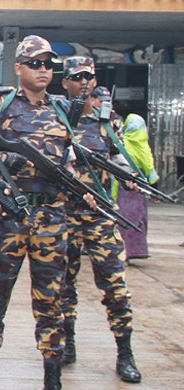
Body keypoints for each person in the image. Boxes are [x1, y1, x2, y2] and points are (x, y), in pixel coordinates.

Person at [0, 35, 90, 389]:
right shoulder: (1, 105)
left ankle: (52, 375)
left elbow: (69, 162)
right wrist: (1, 176)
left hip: (52, 220)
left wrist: (80, 187)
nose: (43, 70)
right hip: (8, 218)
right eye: (35, 63)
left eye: (48, 64)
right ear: (19, 68)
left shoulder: (61, 110)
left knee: (50, 301)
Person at [58, 57, 141, 383]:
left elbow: (121, 160)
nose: (82, 82)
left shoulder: (107, 124)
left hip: (100, 217)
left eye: (87, 77)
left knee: (115, 285)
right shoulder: (57, 119)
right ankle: (69, 343)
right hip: (64, 215)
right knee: (63, 287)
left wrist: (133, 176)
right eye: (76, 77)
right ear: (64, 82)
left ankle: (125, 352)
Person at [113, 113, 159, 259]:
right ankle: (134, 251)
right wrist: (154, 189)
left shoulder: (120, 142)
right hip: (135, 190)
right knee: (135, 220)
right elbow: (149, 168)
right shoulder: (142, 145)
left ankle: (121, 250)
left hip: (119, 187)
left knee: (120, 218)